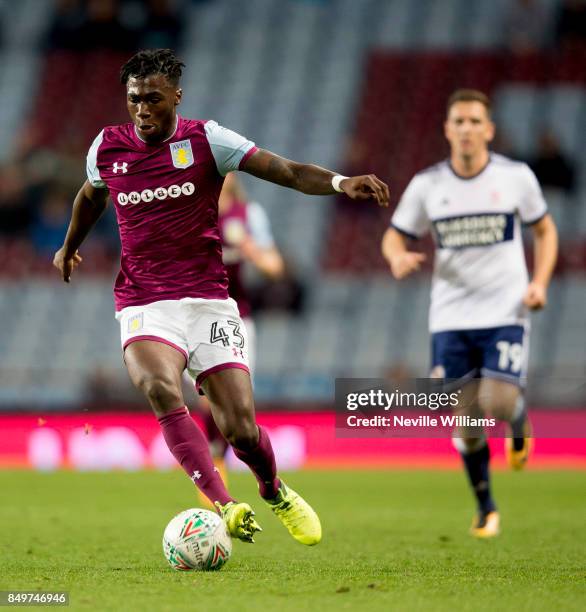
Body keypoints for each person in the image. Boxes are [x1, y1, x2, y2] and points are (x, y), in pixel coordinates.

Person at [53, 48, 389, 546]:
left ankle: (274, 490)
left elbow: (288, 171)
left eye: (152, 99)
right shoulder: (107, 148)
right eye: (133, 100)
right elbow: (91, 194)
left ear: (176, 97)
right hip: (144, 302)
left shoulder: (208, 140)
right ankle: (225, 505)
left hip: (209, 301)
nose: (142, 110)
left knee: (242, 432)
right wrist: (69, 247)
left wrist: (341, 182)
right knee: (160, 388)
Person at [381, 89, 558, 538]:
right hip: (451, 317)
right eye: (458, 121)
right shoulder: (428, 185)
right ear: (447, 129)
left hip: (506, 308)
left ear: (489, 130)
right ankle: (486, 506)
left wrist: (538, 283)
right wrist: (397, 257)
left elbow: (545, 230)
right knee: (469, 422)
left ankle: (517, 418)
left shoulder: (516, 177)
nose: (466, 129)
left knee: (496, 402)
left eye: (475, 121)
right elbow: (395, 236)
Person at [200, 172, 285, 494]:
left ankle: (253, 469)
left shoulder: (250, 215)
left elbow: (275, 267)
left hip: (237, 316)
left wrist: (252, 251)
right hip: (200, 315)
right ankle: (214, 463)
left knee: (237, 402)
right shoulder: (193, 209)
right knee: (208, 398)